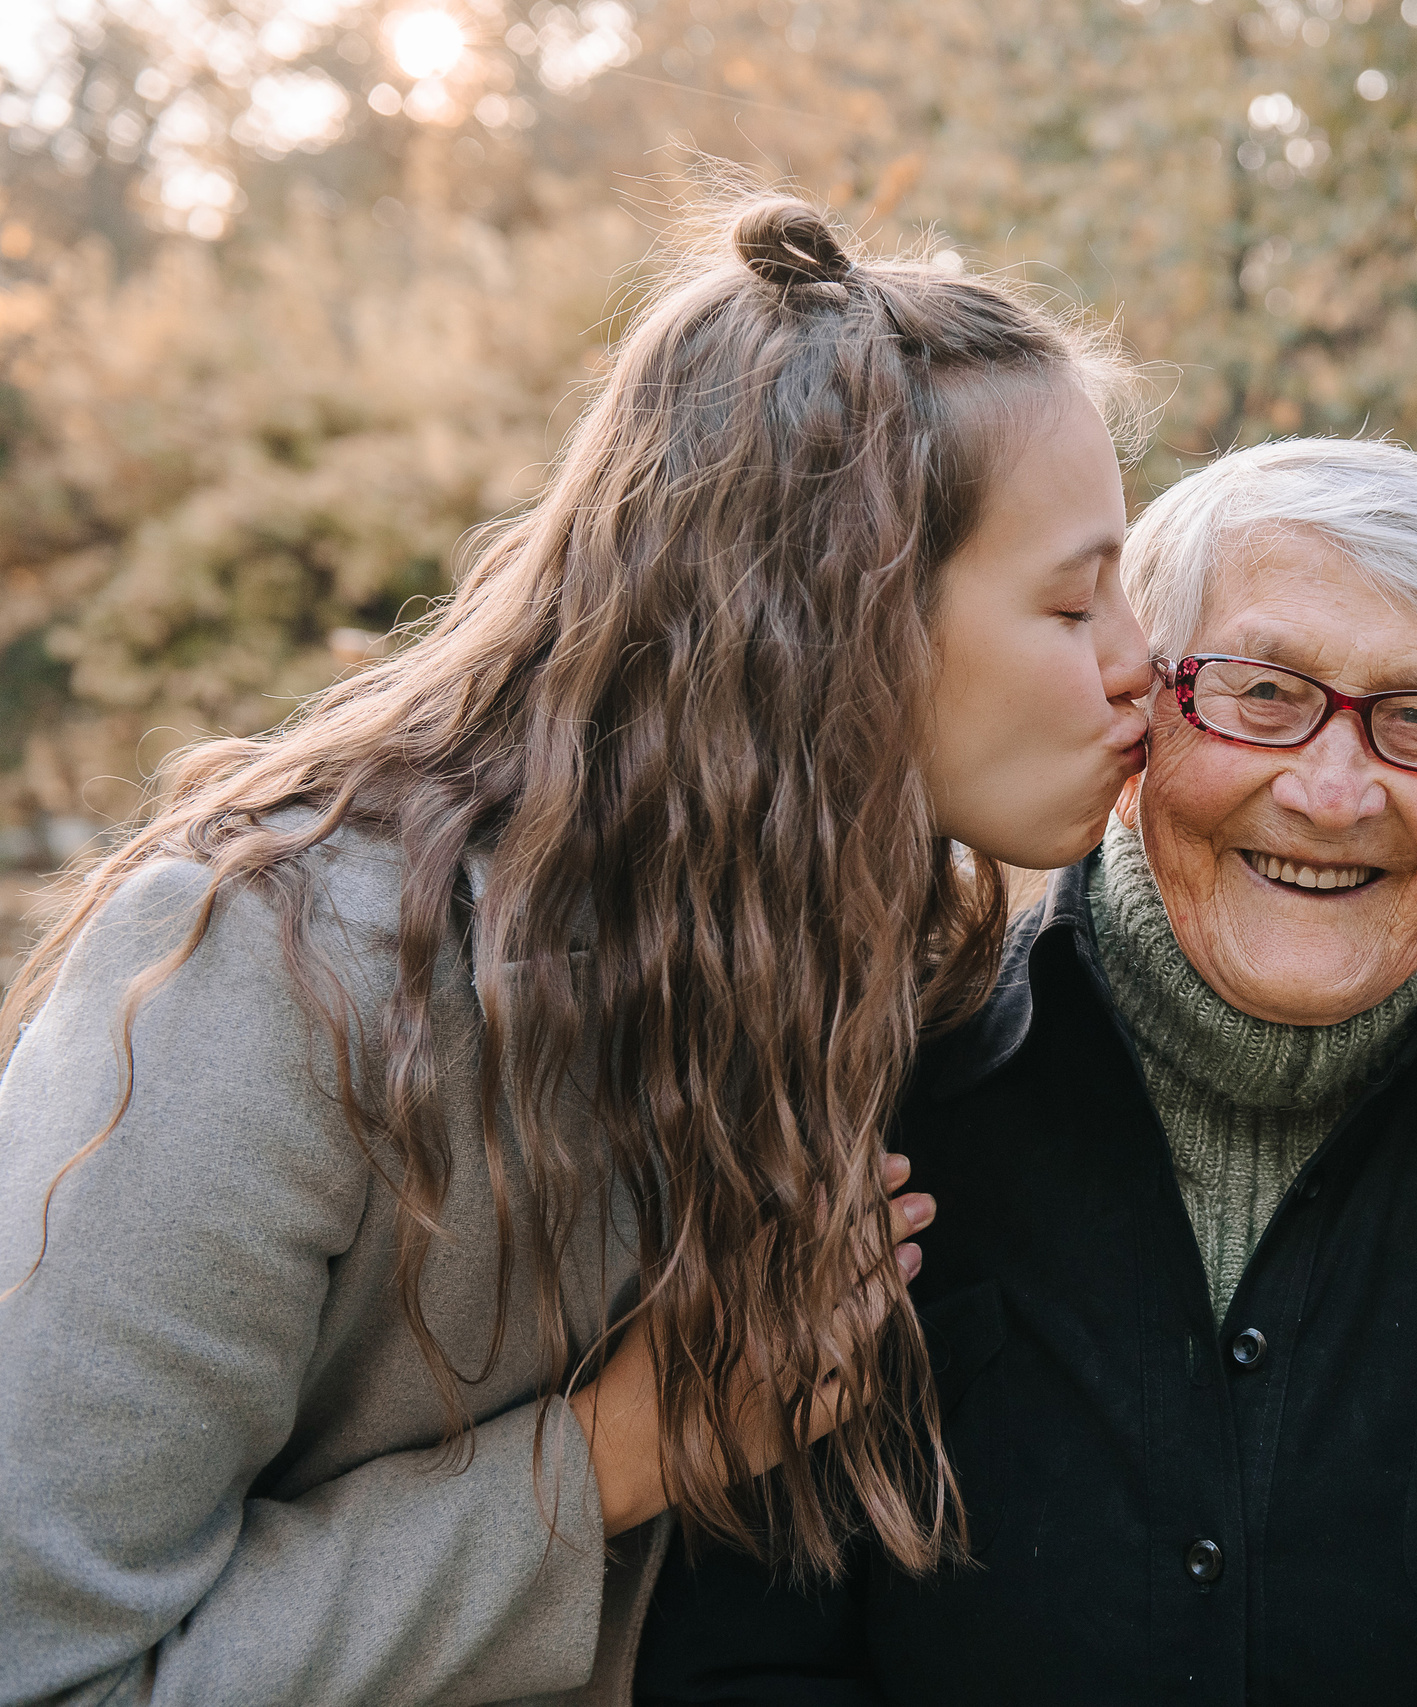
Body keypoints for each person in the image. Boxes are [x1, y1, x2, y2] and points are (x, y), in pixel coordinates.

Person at [0, 196, 1155, 1705]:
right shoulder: (264, 975)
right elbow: (54, 1659)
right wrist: (611, 1452)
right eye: (1077, 598)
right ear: (845, 619)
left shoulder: (847, 955)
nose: (1144, 656)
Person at [632, 438, 1417, 1705]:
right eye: (1263, 695)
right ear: (1138, 719)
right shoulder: (868, 1105)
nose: (1338, 793)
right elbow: (736, 1665)